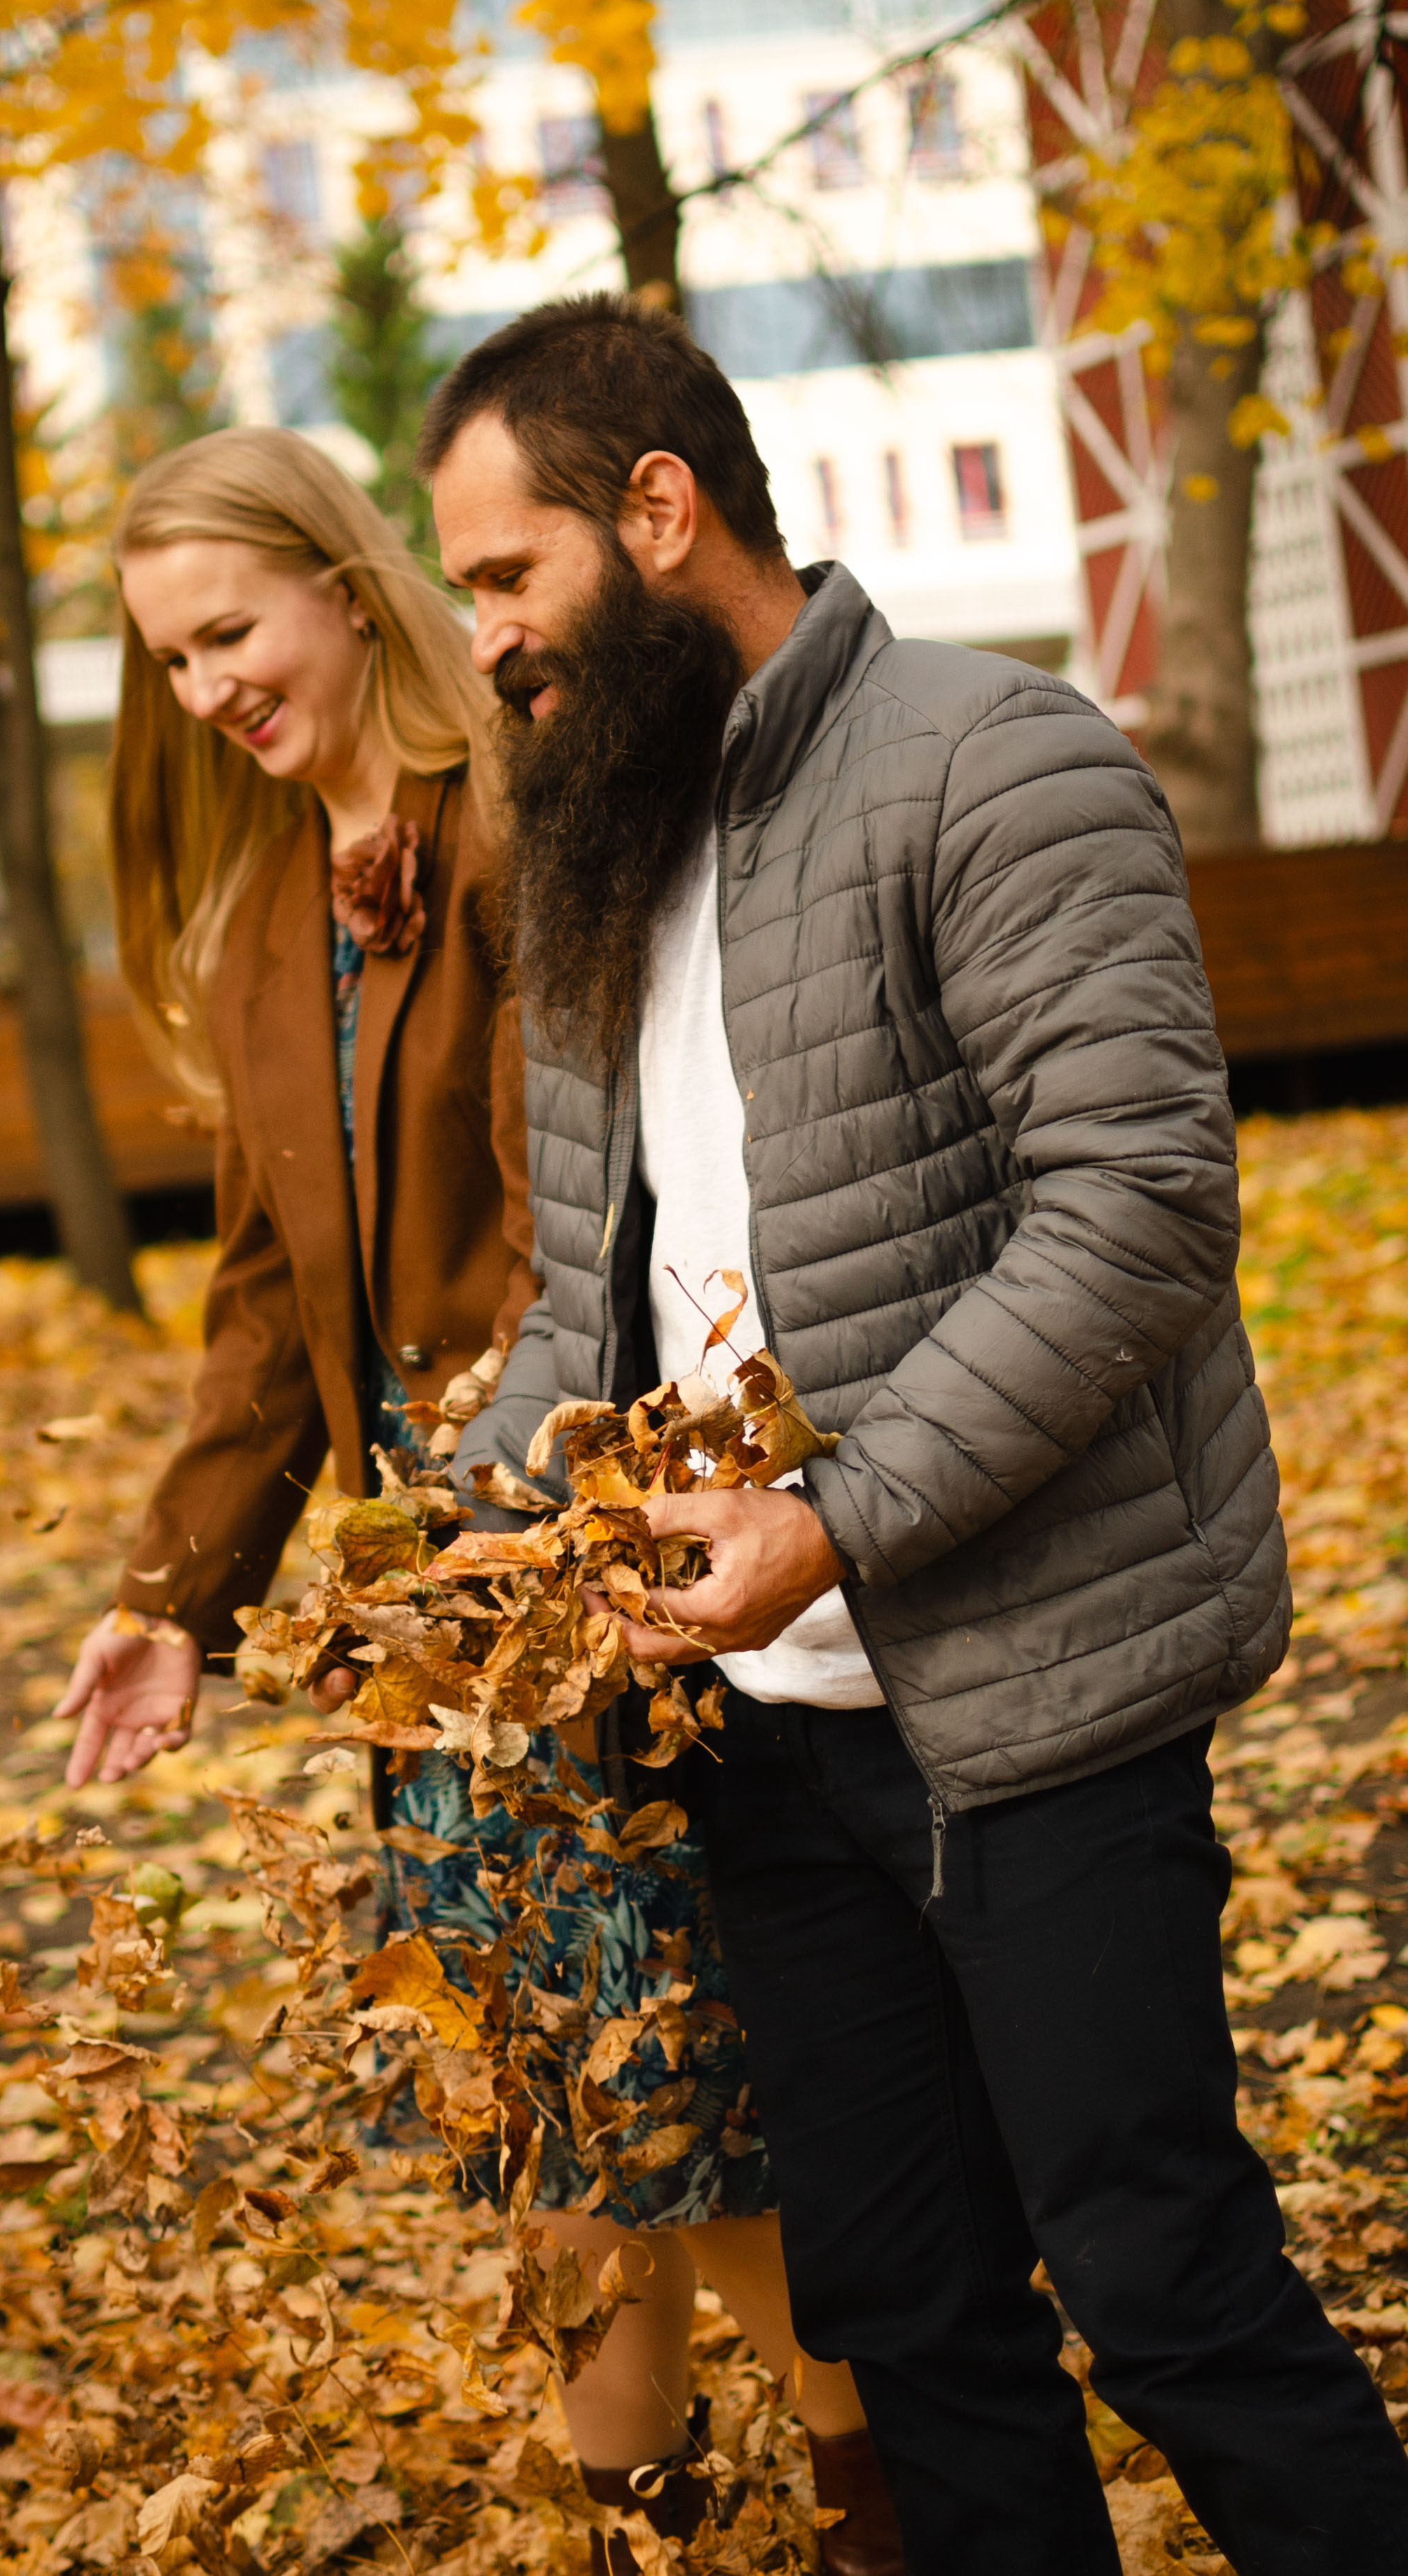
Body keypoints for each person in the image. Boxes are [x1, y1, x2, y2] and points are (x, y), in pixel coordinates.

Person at [427, 293, 1408, 2576]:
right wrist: (459, 1548)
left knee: (1162, 2288)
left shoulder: (996, 758)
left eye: (504, 577)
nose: (481, 639)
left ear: (658, 512)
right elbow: (585, 1294)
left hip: (1035, 1694)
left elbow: (1139, 1208)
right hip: (765, 1735)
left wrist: (840, 1523)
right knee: (917, 2316)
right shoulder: (599, 843)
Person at [53, 425, 902, 2576]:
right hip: (418, 1632)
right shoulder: (264, 919)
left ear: (350, 583)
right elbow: (268, 1303)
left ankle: (889, 2497)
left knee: (689, 2120)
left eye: (229, 631)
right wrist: (175, 1588)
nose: (208, 690)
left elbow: (599, 1217)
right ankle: (649, 2526)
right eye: (167, 660)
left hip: (580, 1579)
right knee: (551, 2122)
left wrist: (526, 1524)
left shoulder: (531, 828)